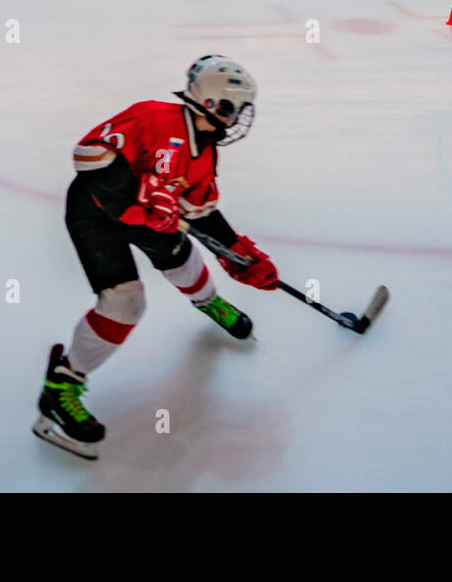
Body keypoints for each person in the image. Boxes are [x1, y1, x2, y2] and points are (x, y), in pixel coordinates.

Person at [33, 56, 275, 460]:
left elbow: (201, 212)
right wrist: (139, 193)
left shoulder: (204, 153)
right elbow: (87, 155)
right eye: (236, 108)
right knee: (126, 303)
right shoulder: (151, 117)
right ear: (214, 104)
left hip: (153, 220)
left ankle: (208, 302)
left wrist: (239, 253)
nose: (240, 119)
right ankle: (60, 388)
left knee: (184, 261)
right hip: (96, 215)